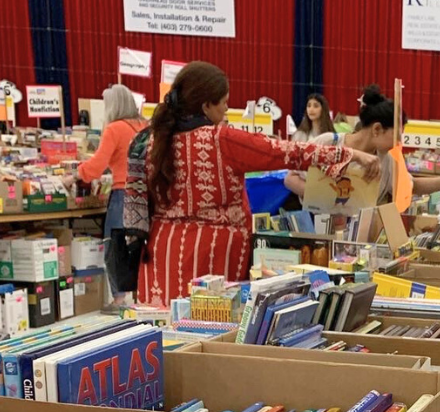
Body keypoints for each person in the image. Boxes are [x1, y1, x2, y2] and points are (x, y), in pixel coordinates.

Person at [131, 62, 379, 305]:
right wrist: (351, 155)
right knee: (208, 334)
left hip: (160, 254)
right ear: (206, 105)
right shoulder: (222, 140)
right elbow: (286, 152)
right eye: (225, 102)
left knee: (164, 332)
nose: (226, 110)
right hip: (211, 257)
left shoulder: (149, 140)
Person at [284, 85, 440, 202]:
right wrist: (323, 196)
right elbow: (289, 177)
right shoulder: (328, 143)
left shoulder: (386, 158)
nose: (399, 142)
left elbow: (410, 185)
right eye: (396, 135)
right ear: (377, 129)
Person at [64, 84, 146, 310]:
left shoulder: (114, 128)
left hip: (122, 194)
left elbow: (96, 166)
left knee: (115, 246)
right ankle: (142, 296)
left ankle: (119, 300)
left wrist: (75, 176)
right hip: (146, 194)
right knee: (141, 245)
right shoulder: (147, 127)